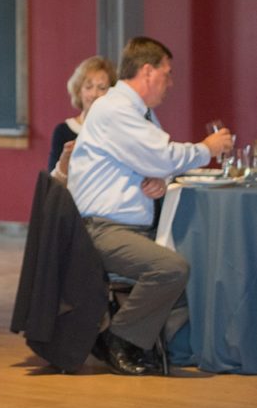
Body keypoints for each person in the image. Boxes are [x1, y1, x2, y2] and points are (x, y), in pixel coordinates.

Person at [68, 36, 233, 376]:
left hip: (125, 226)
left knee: (193, 262)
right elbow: (163, 154)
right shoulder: (116, 110)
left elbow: (152, 160)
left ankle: (167, 346)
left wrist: (158, 179)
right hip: (100, 229)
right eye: (167, 73)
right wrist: (207, 148)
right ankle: (117, 339)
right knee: (170, 269)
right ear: (147, 71)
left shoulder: (138, 113)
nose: (170, 83)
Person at [48, 55, 117, 184]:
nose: (94, 94)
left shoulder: (119, 131)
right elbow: (52, 185)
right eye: (88, 87)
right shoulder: (63, 131)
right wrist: (65, 161)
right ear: (79, 91)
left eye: (101, 88)